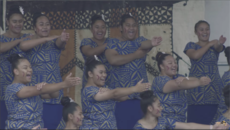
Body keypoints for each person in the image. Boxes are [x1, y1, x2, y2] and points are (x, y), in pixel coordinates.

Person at [105, 13, 162, 129]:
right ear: (121, 28)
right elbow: (113, 60)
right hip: (121, 98)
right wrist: (136, 55)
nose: (131, 28)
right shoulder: (113, 42)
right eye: (128, 25)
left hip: (141, 99)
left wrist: (152, 42)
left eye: (134, 25)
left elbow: (146, 43)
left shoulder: (139, 41)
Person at [4, 54, 81, 129]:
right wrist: (64, 84)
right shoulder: (12, 89)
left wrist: (46, 86)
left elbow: (54, 95)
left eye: (30, 67)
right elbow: (40, 90)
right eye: (25, 68)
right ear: (16, 72)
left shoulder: (31, 89)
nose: (30, 70)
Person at [19, 12, 69, 129]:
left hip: (55, 92)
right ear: (34, 28)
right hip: (36, 92)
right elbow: (23, 46)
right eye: (41, 24)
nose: (45, 27)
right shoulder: (29, 40)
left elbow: (60, 43)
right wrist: (45, 39)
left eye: (47, 24)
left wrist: (62, 39)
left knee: (54, 125)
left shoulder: (54, 40)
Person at [80, 56, 150, 129]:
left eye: (105, 72)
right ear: (90, 74)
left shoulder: (104, 88)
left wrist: (109, 92)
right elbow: (115, 93)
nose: (104, 75)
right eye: (101, 72)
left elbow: (123, 97)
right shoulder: (88, 90)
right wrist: (134, 89)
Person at [184, 20, 227, 124]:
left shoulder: (215, 46)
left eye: (207, 29)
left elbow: (219, 47)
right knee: (196, 123)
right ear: (196, 32)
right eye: (201, 29)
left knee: (218, 122)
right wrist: (208, 44)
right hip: (196, 92)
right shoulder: (191, 45)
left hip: (215, 91)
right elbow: (195, 55)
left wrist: (219, 43)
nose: (205, 32)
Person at [152, 52, 211, 122]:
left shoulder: (177, 76)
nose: (174, 65)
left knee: (222, 124)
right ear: (161, 66)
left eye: (175, 62)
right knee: (220, 124)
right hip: (165, 122)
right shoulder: (159, 80)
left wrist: (186, 78)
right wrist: (199, 82)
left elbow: (194, 79)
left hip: (181, 120)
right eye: (170, 63)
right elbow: (179, 85)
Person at [134, 90, 229, 129]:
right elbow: (222, 122)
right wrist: (220, 125)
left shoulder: (164, 121)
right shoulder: (138, 127)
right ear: (150, 108)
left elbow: (189, 126)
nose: (161, 108)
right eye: (159, 105)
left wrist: (212, 127)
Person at [0, 6, 31, 129]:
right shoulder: (2, 38)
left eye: (20, 21)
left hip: (23, 88)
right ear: (7, 22)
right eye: (14, 21)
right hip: (3, 87)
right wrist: (20, 40)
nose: (18, 24)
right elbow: (1, 48)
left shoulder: (28, 38)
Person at [80, 14, 111, 89]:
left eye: (103, 27)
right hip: (92, 82)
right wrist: (108, 45)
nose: (100, 30)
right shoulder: (86, 41)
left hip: (109, 80)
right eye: (97, 27)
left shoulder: (110, 41)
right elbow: (89, 52)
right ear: (91, 29)